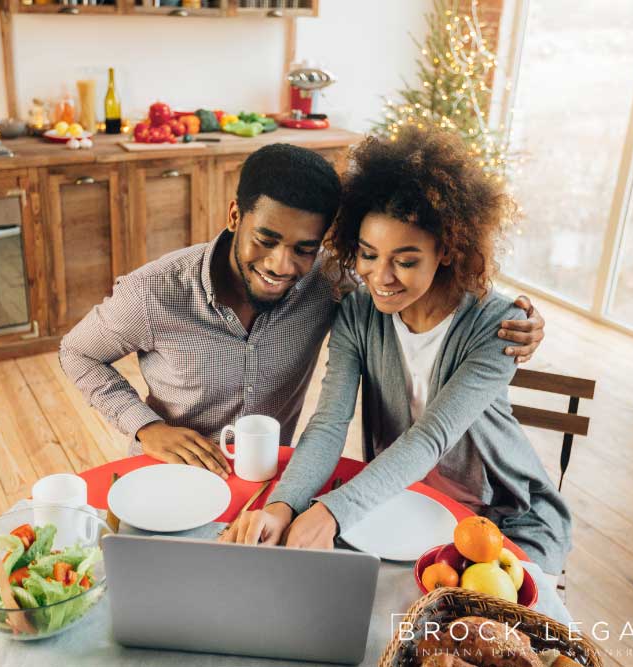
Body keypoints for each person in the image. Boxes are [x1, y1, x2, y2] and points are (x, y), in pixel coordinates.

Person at [59, 142, 547, 486]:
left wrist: (510, 309)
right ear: (235, 217)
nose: (281, 265)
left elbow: (405, 263)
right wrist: (146, 428)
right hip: (169, 474)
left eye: (304, 249)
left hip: (270, 479)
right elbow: (77, 351)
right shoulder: (153, 293)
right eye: (266, 240)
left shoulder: (330, 279)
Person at [221, 128, 571, 575]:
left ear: (444, 250)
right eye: (368, 254)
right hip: (393, 502)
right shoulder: (357, 313)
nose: (380, 277)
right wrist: (281, 507)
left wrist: (331, 511)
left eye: (405, 261)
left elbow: (431, 437)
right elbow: (329, 423)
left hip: (501, 516)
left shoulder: (497, 324)